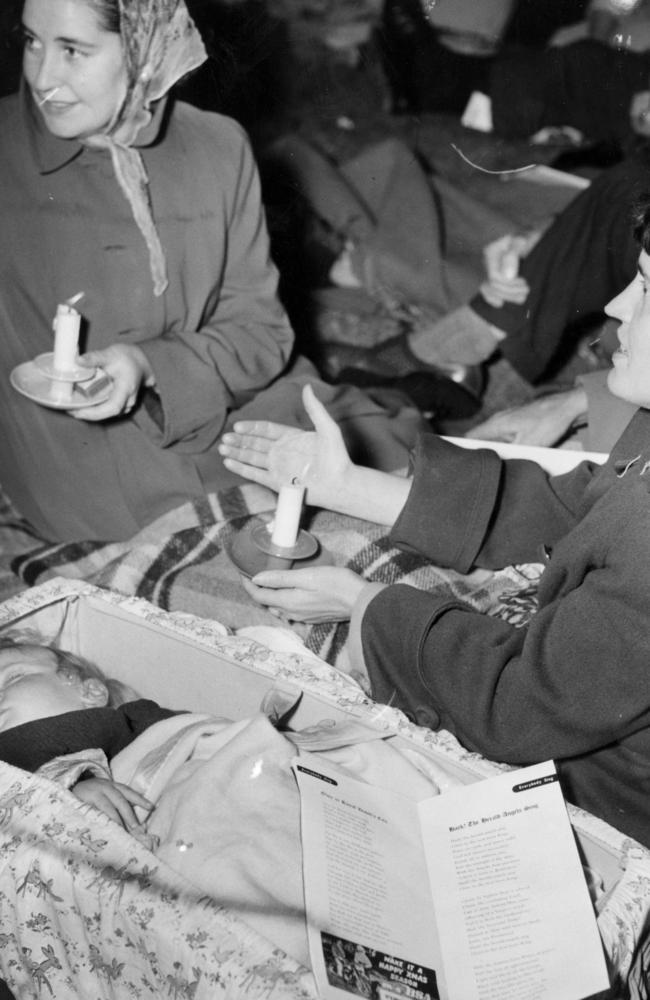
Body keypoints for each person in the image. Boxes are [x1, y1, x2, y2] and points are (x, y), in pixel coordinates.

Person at [217, 194, 650, 849]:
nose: (616, 306)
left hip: (604, 802)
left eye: (647, 286)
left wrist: (368, 608)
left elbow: (517, 706)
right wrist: (351, 486)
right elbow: (570, 507)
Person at [0, 0, 427, 546]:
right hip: (83, 456)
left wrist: (147, 364)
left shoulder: (217, 147)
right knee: (241, 538)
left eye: (73, 51)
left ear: (145, 50)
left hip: (217, 398)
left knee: (388, 452)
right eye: (32, 42)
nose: (42, 77)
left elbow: (261, 332)